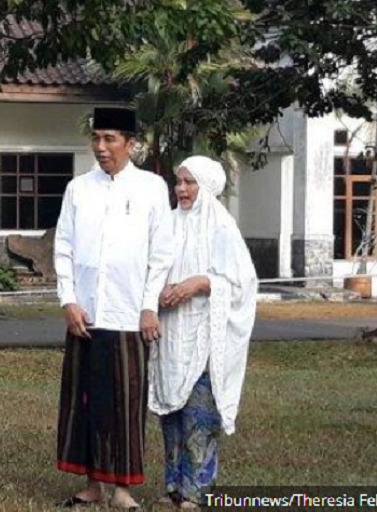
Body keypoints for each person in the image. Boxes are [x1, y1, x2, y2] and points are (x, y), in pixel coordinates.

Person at [53, 106, 173, 509]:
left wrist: (149, 306)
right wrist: (69, 300)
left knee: (125, 403)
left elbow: (161, 254)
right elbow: (63, 247)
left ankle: (123, 489)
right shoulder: (78, 188)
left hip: (128, 314)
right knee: (86, 401)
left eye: (110, 139)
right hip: (85, 314)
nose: (101, 147)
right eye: (96, 138)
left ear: (130, 144)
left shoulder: (152, 187)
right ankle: (93, 486)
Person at [148, 156, 258, 509]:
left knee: (199, 415)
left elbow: (243, 284)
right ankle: (173, 487)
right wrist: (157, 293)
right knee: (172, 415)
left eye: (189, 182)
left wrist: (201, 283)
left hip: (205, 337)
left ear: (207, 187)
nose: (181, 189)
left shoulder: (222, 228)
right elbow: (152, 268)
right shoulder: (168, 223)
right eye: (178, 181)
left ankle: (197, 491)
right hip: (170, 333)